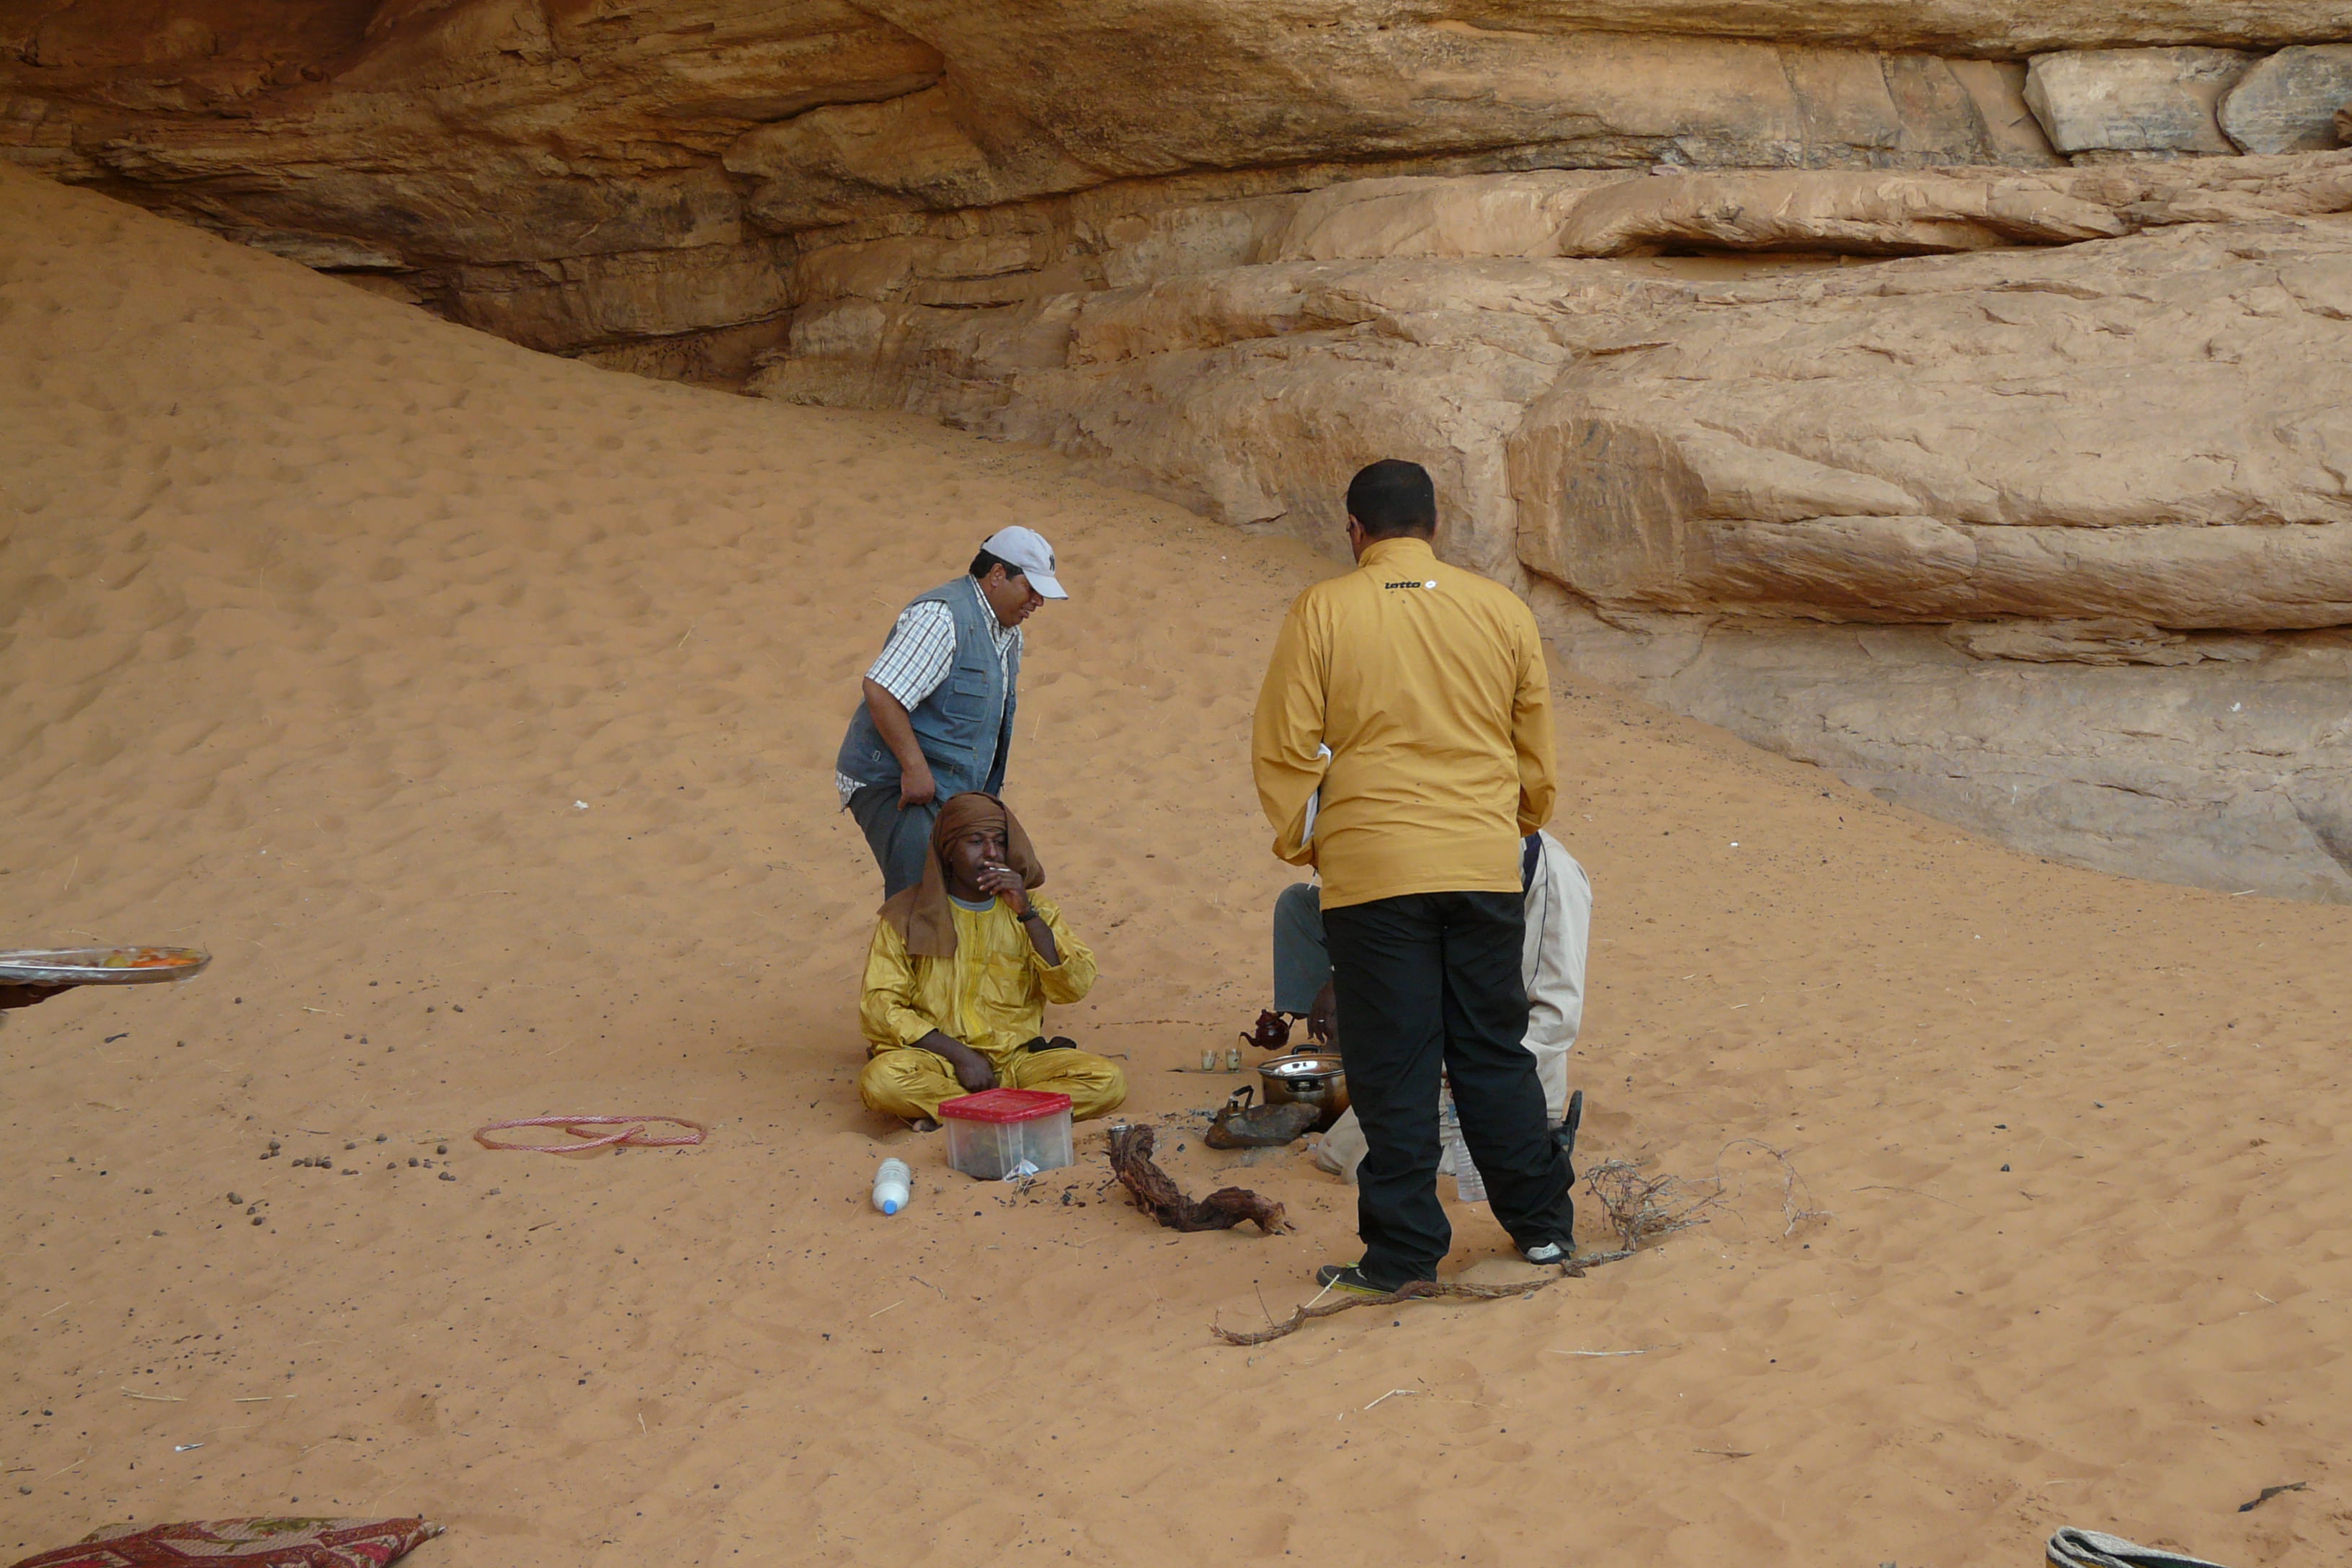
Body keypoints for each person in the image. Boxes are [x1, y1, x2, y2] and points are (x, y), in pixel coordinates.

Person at [1252, 457, 1574, 1296]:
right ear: (1437, 528)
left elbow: (1285, 746)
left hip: (1374, 872)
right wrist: (1517, 821)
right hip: (1481, 862)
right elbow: (1534, 748)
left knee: (1395, 1066)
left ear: (1354, 531)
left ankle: (1401, 1259)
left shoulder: (1324, 608)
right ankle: (1542, 1230)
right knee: (1492, 1052)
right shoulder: (1501, 610)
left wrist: (1312, 840)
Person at [1256, 828, 1590, 1184]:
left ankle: (1537, 1145)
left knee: (1364, 1170)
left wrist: (1468, 1071)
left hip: (1500, 1075)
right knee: (1332, 1154)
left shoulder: (1550, 875)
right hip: (1437, 1060)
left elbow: (1556, 1017)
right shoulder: (1438, 845)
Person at [858, 790, 1126, 1127]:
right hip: (939, 1063)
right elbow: (880, 1007)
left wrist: (1027, 914)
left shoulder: (1038, 911)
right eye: (975, 841)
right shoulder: (907, 915)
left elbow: (1073, 988)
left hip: (1016, 1063)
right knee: (882, 1080)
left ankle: (963, 1116)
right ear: (948, 850)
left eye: (999, 842)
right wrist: (960, 1056)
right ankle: (1015, 1117)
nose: (991, 853)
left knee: (1107, 1079)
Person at [836, 527, 1067, 897]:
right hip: (898, 785)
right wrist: (915, 769)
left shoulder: (1008, 634)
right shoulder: (941, 618)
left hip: (952, 791)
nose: (1038, 601)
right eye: (1032, 588)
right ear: (996, 576)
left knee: (999, 882)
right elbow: (880, 691)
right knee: (922, 903)